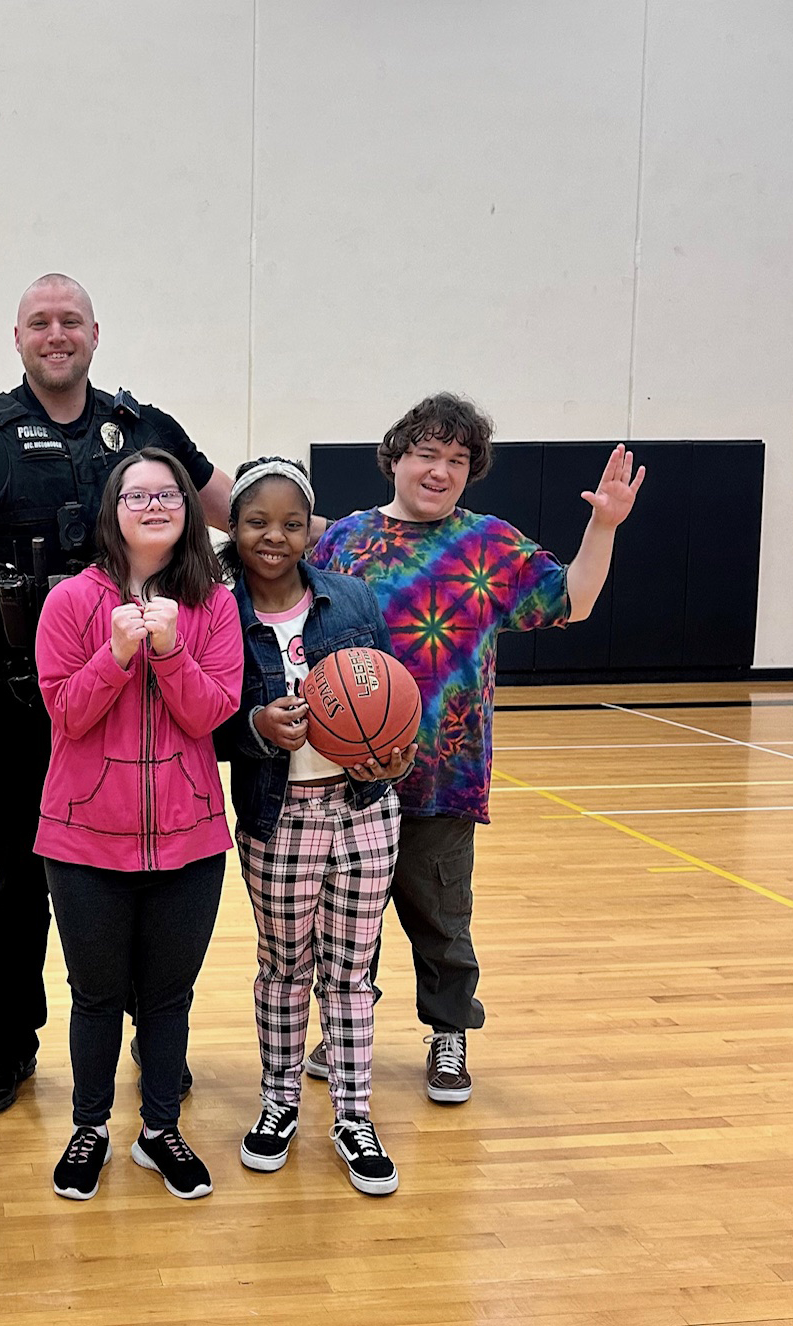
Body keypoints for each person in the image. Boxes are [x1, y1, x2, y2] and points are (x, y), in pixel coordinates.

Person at [0, 274, 239, 1115]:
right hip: (17, 710)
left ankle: (155, 1044)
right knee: (17, 888)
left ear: (95, 333)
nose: (57, 334)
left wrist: (338, 537)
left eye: (70, 321)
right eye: (40, 323)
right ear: (16, 337)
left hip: (141, 710)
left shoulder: (147, 430)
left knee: (148, 881)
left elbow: (242, 509)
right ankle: (7, 1044)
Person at [309, 393, 645, 1103]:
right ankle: (345, 1027)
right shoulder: (342, 541)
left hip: (443, 773)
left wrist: (602, 524)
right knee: (346, 919)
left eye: (457, 460)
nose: (440, 470)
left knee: (440, 919)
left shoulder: (487, 543)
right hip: (348, 775)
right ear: (394, 457)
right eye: (427, 453)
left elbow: (572, 600)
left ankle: (448, 1033)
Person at [34, 449, 242, 1201]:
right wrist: (117, 654)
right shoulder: (68, 603)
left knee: (166, 998)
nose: (153, 505)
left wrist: (171, 649)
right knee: (93, 996)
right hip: (84, 838)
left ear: (187, 508)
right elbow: (65, 716)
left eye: (167, 495)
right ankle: (89, 1127)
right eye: (136, 495)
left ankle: (160, 1131)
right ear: (111, 511)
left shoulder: (214, 604)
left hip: (189, 839)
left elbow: (210, 715)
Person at [216, 458, 415, 1195]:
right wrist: (257, 727)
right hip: (278, 818)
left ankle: (354, 1113)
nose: (274, 536)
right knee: (285, 967)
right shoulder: (217, 611)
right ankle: (278, 1101)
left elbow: (389, 701)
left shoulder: (352, 597)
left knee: (352, 971)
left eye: (291, 522)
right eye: (257, 521)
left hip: (363, 811)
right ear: (233, 528)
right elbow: (204, 725)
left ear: (310, 530)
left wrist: (389, 759)